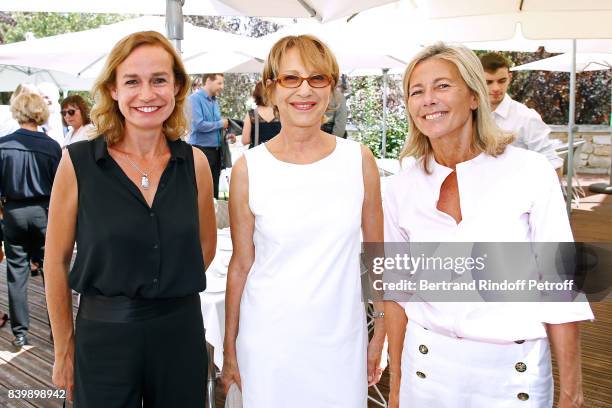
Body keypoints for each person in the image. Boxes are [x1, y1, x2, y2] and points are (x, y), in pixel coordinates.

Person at [384, 43, 594, 408]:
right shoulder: (399, 188)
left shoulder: (529, 171)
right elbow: (396, 292)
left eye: (442, 86)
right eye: (416, 91)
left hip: (512, 376)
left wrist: (572, 395)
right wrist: (397, 384)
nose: (428, 99)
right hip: (425, 371)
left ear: (473, 97)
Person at [44, 31, 216, 406]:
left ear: (177, 87)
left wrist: (163, 283)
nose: (147, 94)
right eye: (132, 81)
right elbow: (55, 262)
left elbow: (204, 247)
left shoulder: (196, 164)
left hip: (179, 334)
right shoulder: (78, 163)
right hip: (103, 337)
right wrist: (64, 346)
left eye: (159, 80)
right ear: (113, 90)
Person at [221, 34, 386, 408]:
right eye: (290, 78)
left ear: (331, 88)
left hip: (341, 341)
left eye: (317, 78)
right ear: (272, 89)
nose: (304, 90)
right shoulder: (250, 168)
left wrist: (381, 331)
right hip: (268, 342)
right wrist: (230, 348)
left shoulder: (358, 159)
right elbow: (241, 265)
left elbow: (376, 253)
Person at [0, 92, 61, 348]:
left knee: (16, 274)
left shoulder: (2, 145)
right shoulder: (51, 146)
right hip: (44, 212)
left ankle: (20, 333)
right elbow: (62, 189)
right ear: (41, 113)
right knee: (52, 272)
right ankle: (56, 330)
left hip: (13, 213)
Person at [480, 52, 563, 172]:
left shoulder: (527, 117)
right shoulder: (469, 114)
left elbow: (552, 163)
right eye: (488, 82)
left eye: (502, 81)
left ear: (510, 78)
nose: (496, 88)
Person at [188, 73, 235, 198]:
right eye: (219, 83)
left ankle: (212, 216)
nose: (222, 86)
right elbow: (199, 125)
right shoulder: (194, 99)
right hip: (201, 150)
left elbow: (216, 126)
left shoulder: (215, 101)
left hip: (216, 151)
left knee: (213, 190)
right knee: (201, 190)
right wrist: (221, 123)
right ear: (208, 81)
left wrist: (227, 135)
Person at [240, 81, 281, 148]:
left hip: (257, 154)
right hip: (277, 152)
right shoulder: (280, 112)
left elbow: (245, 140)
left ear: (256, 95)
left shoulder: (252, 114)